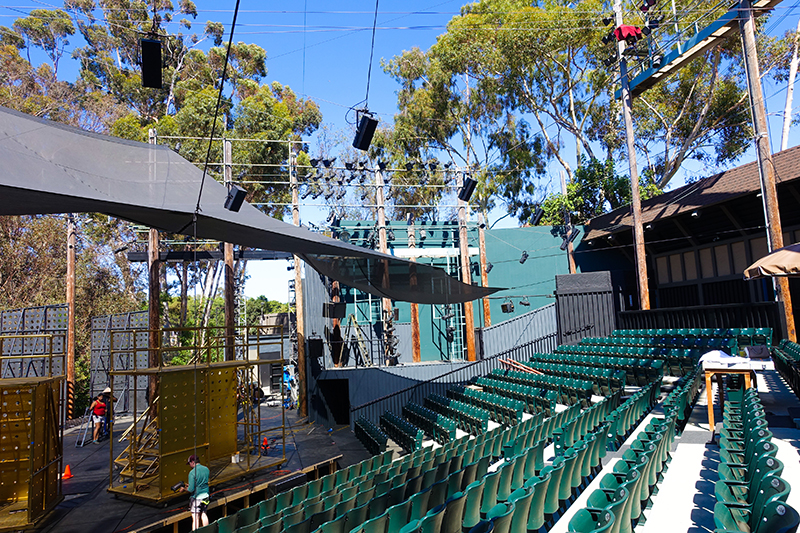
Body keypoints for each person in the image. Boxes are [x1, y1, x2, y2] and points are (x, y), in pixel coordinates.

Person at [180, 455, 210, 530]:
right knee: (204, 514)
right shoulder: (206, 469)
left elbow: (190, 490)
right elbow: (202, 482)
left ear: (192, 462)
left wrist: (184, 489)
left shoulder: (192, 473)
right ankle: (207, 531)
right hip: (206, 495)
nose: (189, 465)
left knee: (196, 517)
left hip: (197, 497)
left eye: (189, 463)